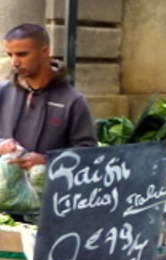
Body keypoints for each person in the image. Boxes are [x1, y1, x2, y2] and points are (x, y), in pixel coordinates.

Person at [0, 23, 97, 168]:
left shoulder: (73, 100)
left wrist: (47, 161)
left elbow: (88, 153)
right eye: (10, 55)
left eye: (22, 54)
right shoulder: (3, 91)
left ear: (44, 52)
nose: (15, 62)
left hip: (49, 188)